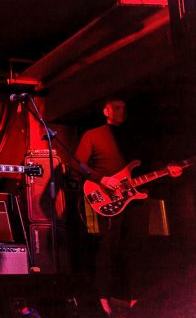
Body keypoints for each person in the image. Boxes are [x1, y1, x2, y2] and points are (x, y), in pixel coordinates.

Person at [75, 98, 181, 316]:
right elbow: (77, 164)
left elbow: (148, 164)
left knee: (137, 247)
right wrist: (101, 179)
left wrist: (168, 170)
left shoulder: (136, 136)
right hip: (107, 198)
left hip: (135, 198)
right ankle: (102, 298)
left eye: (124, 107)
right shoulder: (93, 135)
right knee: (107, 247)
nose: (121, 111)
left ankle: (135, 299)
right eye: (116, 107)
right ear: (106, 111)